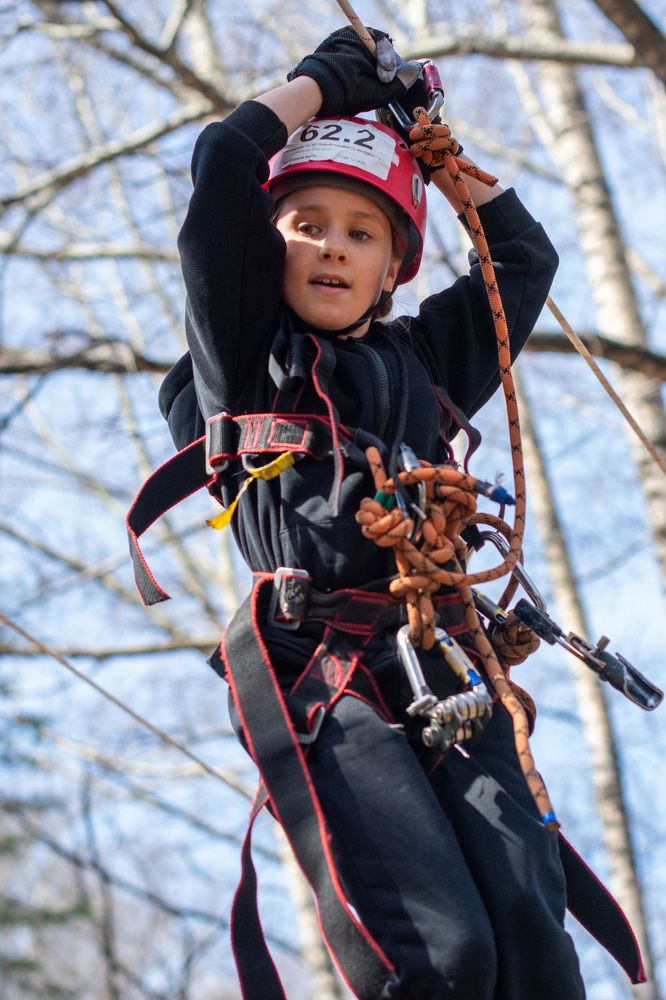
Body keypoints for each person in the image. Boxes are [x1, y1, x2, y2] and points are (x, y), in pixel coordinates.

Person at [131, 26, 644, 1000]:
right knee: (444, 954)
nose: (332, 244)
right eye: (307, 222)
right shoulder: (243, 353)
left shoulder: (423, 365)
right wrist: (321, 88)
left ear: (393, 263)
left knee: (537, 953)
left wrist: (435, 145)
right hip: (322, 666)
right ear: (269, 246)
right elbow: (225, 160)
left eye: (362, 232)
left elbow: (522, 256)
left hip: (442, 648)